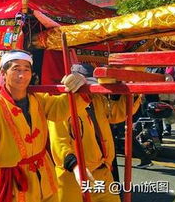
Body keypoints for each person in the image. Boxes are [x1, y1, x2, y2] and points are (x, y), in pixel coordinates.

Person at [0, 50, 90, 202]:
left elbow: (61, 108)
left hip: (45, 177)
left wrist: (80, 86)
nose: (22, 75)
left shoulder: (37, 99)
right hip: (15, 185)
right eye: (16, 69)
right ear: (3, 73)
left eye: (26, 70)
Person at [48, 64, 142, 202]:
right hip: (73, 177)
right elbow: (59, 144)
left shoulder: (97, 100)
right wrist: (75, 166)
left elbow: (117, 113)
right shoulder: (62, 105)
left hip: (103, 172)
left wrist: (133, 92)